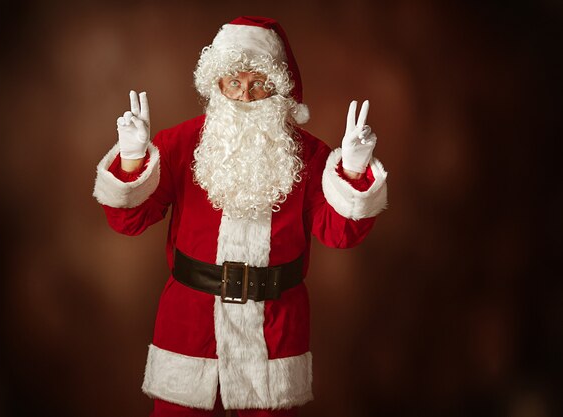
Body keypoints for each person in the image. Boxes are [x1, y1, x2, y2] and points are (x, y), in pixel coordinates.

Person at [93, 16, 388, 417]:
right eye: (233, 83)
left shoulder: (310, 154)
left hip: (275, 333)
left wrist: (351, 171)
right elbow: (128, 221)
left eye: (257, 84)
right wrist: (131, 159)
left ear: (278, 89)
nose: (245, 97)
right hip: (190, 329)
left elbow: (340, 233)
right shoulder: (178, 144)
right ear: (216, 85)